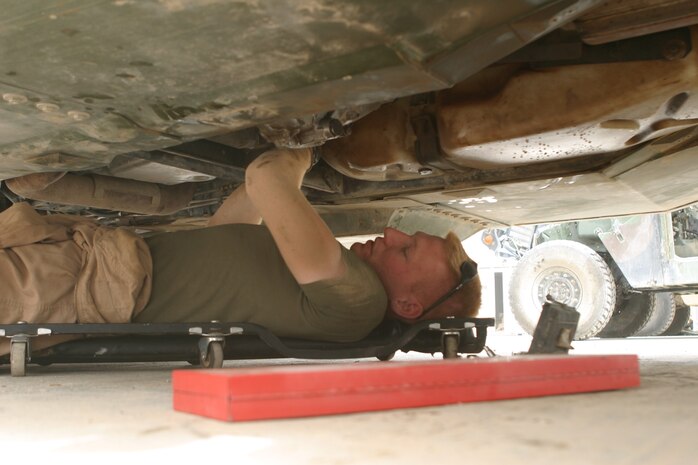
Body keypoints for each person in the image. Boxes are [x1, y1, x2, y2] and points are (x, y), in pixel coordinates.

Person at [0, 148, 480, 354]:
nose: (394, 236)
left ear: (410, 305)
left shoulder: (359, 301)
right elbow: (224, 235)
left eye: (407, 250)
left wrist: (308, 148)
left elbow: (267, 178)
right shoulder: (340, 285)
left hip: (75, 283)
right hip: (86, 267)